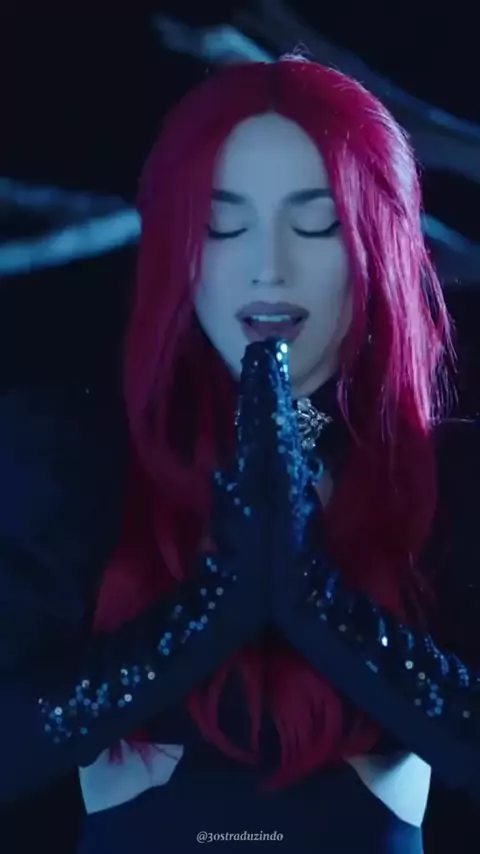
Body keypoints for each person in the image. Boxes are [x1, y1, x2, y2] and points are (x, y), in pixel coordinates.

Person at [0, 55, 479, 854]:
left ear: (380, 238)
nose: (268, 266)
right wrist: (206, 612)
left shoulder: (452, 480)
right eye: (222, 225)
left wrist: (318, 604)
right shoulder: (74, 460)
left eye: (316, 223)